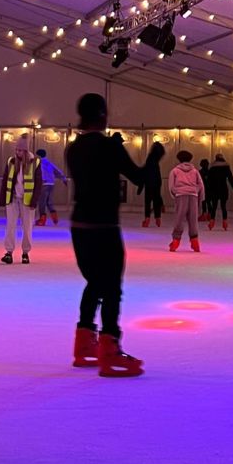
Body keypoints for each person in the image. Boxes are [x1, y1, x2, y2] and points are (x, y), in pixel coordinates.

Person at [66, 93, 165, 378]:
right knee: (111, 288)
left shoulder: (73, 149)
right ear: (102, 115)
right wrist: (154, 157)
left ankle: (84, 346)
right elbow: (140, 178)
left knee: (94, 283)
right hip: (105, 227)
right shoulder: (110, 146)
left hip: (80, 226)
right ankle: (109, 350)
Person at [0, 135, 42, 265]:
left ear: (26, 151)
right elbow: (5, 180)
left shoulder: (35, 163)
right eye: (16, 150)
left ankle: (25, 252)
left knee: (27, 227)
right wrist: (2, 198)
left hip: (27, 201)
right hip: (12, 199)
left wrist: (34, 200)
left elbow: (38, 183)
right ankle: (9, 252)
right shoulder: (11, 161)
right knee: (10, 226)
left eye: (20, 150)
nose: (17, 153)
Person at [168, 150, 205, 253]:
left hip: (181, 195)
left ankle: (175, 242)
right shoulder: (195, 171)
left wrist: (175, 194)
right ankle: (195, 243)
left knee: (179, 218)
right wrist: (200, 197)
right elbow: (201, 185)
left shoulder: (175, 171)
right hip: (193, 195)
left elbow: (171, 186)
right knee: (193, 219)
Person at [34, 148, 67, 226]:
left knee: (42, 203)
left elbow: (39, 174)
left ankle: (42, 220)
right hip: (51, 184)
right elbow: (57, 171)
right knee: (49, 202)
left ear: (38, 155)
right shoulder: (49, 163)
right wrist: (63, 179)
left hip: (44, 185)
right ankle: (55, 218)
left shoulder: (39, 163)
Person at [206, 154, 233, 230]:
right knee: (223, 207)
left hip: (214, 189)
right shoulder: (226, 167)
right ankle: (225, 222)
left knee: (214, 207)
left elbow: (209, 180)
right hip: (223, 188)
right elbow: (230, 177)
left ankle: (211, 222)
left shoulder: (212, 167)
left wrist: (207, 189)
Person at [138, 153, 164, 228]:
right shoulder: (156, 166)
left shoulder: (147, 166)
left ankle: (147, 219)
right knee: (156, 202)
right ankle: (158, 218)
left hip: (148, 186)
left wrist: (140, 189)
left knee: (147, 203)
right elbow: (159, 179)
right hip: (156, 186)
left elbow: (143, 178)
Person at [198, 158, 212, 222]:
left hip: (203, 188)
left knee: (204, 201)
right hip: (209, 188)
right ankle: (210, 214)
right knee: (208, 202)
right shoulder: (210, 172)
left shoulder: (200, 172)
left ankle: (204, 214)